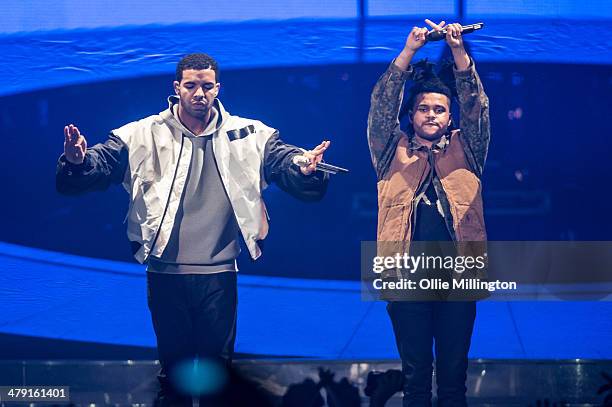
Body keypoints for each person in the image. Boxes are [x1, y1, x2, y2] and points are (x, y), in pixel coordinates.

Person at [56, 53, 330, 406]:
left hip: (219, 273)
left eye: (206, 86)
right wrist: (78, 161)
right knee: (174, 375)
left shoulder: (247, 133)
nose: (199, 93)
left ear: (218, 88)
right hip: (165, 272)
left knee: (219, 374)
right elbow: (102, 161)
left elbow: (284, 159)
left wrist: (303, 167)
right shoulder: (143, 133)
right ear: (177, 88)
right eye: (191, 85)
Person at [367, 19, 490, 406]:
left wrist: (457, 50)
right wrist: (408, 52)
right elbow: (381, 108)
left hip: (460, 280)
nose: (432, 114)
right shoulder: (391, 151)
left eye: (440, 109)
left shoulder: (467, 149)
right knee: (415, 379)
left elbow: (476, 108)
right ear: (413, 115)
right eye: (423, 108)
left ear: (449, 118)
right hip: (406, 280)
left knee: (454, 379)